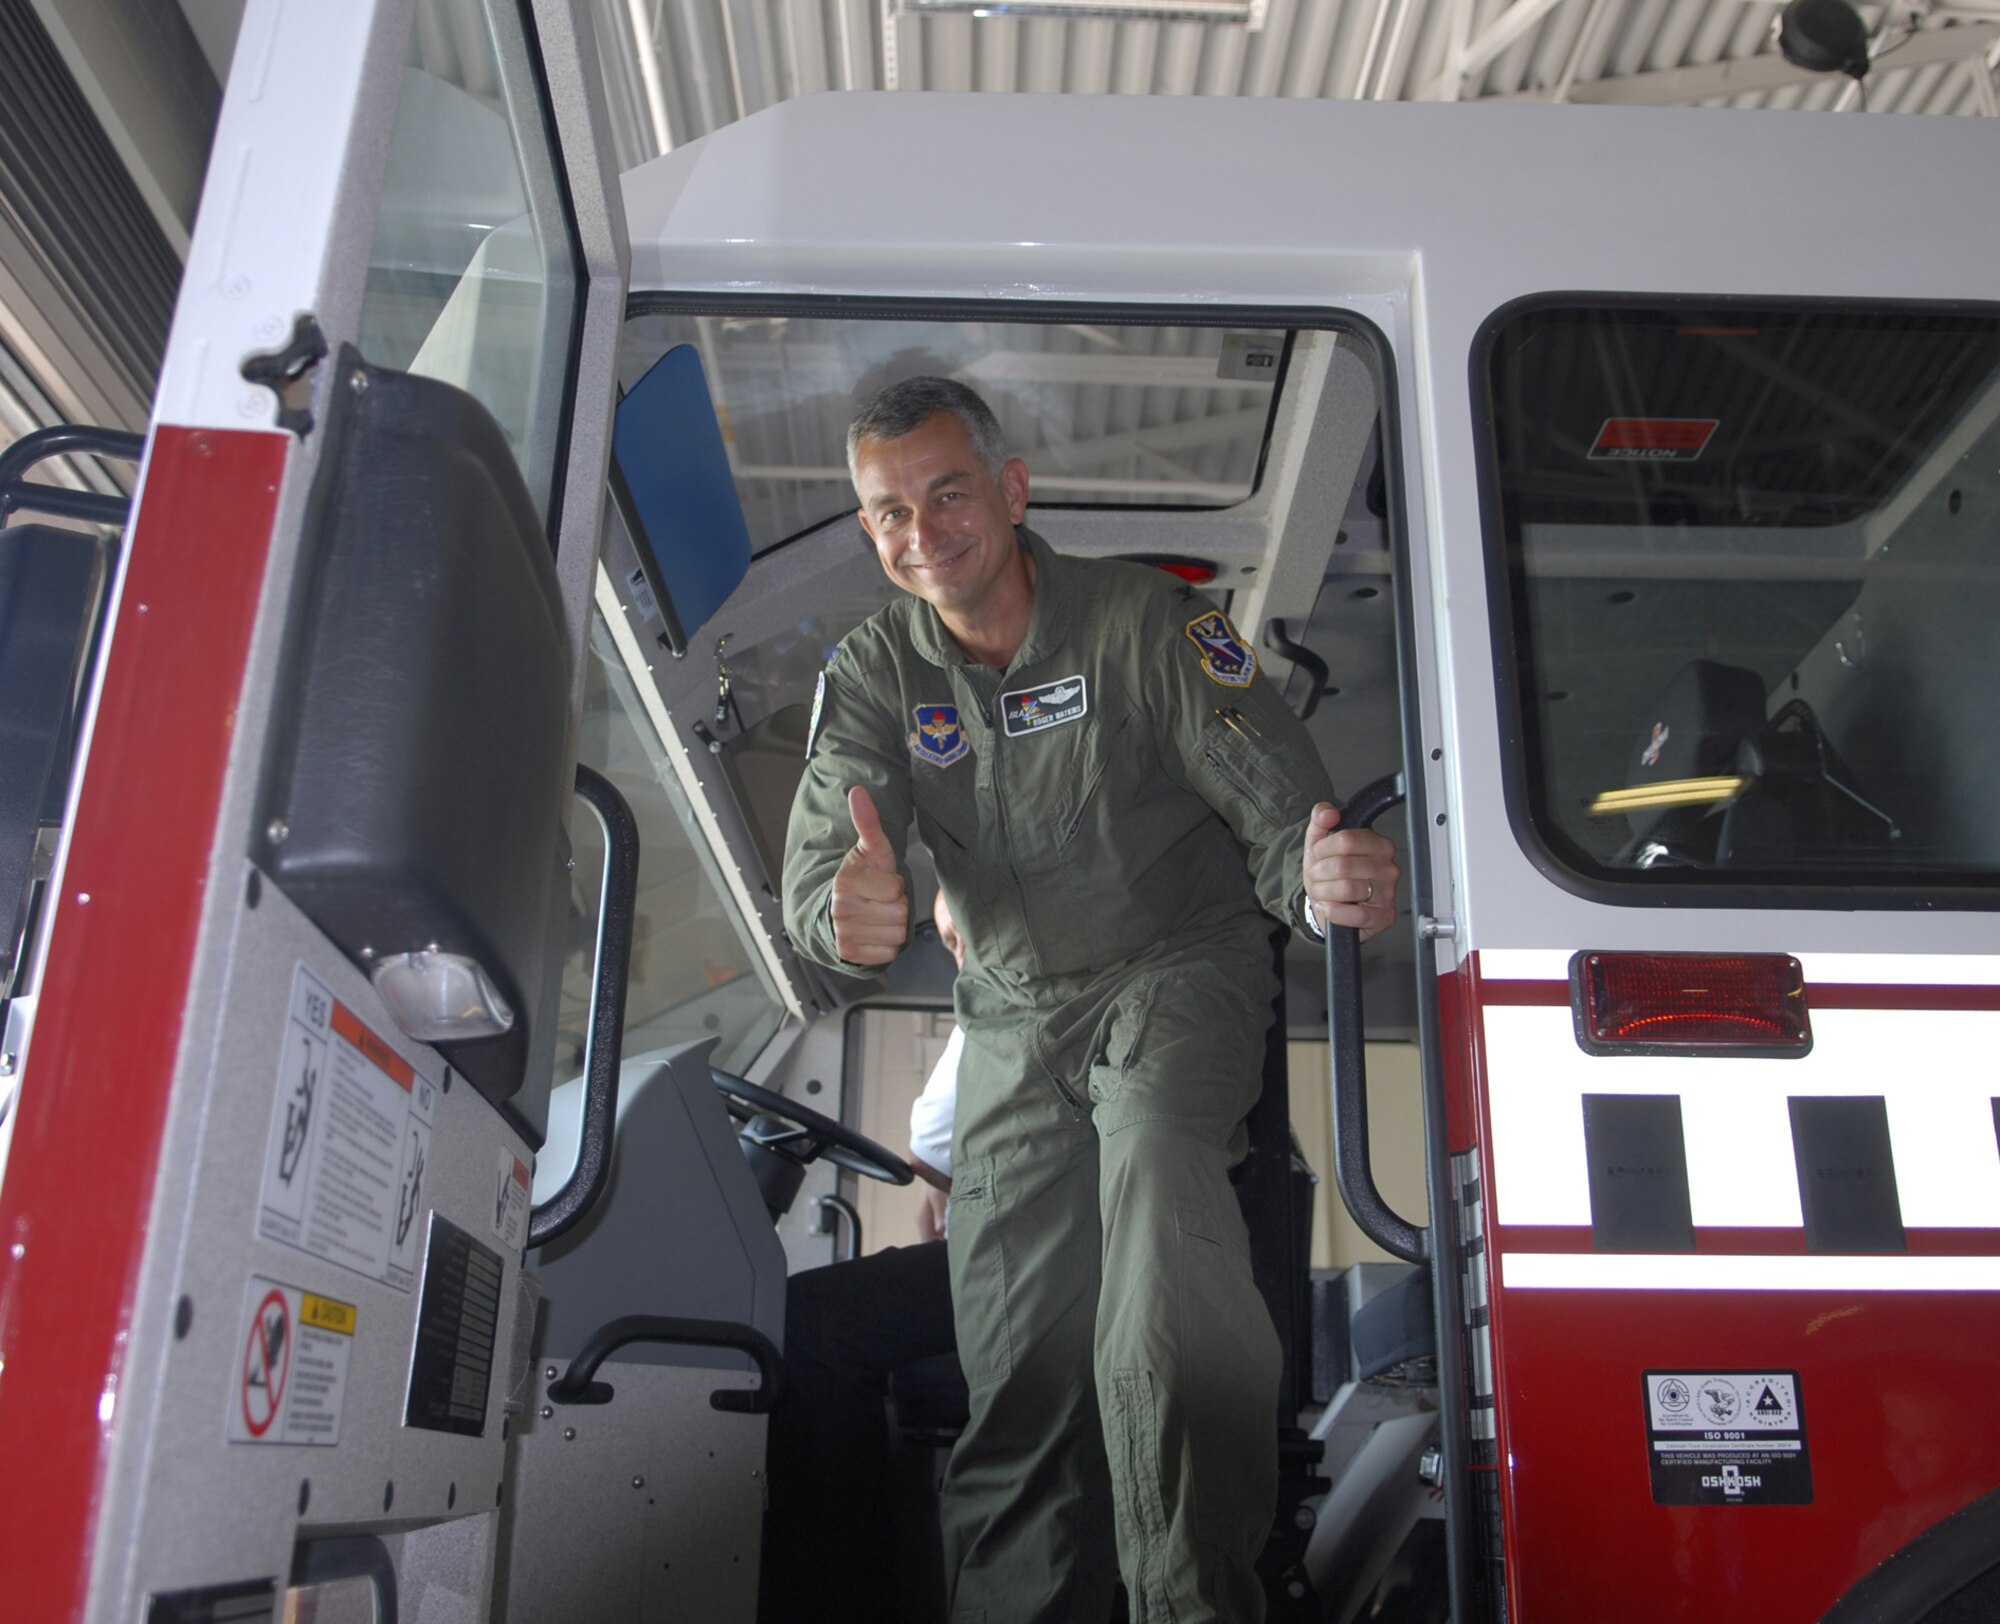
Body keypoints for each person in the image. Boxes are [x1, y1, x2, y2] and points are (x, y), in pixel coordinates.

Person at [782, 376, 1400, 1624]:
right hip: (1013, 1015)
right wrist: (834, 910)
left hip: (1174, 967)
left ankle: (1195, 1605)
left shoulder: (1147, 626)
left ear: (1010, 491)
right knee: (1015, 1374)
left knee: (1158, 1241)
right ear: (867, 531)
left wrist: (1322, 874)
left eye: (947, 491)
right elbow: (825, 855)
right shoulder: (870, 674)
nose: (922, 530)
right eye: (889, 511)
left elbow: (1283, 814)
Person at [758, 890, 965, 1624]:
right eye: (946, 940)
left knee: (805, 1327)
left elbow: (931, 1145)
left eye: (961, 934)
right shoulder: (994, 998)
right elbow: (933, 1168)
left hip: (1046, 1253)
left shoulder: (1008, 997)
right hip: (1007, 1238)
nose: (959, 954)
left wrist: (937, 1192)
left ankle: (839, 1603)